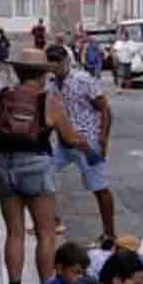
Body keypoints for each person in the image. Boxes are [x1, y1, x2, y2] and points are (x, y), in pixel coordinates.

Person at [0, 55, 74, 284]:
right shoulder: (49, 100)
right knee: (46, 233)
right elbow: (68, 137)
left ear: (19, 72)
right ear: (42, 74)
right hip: (35, 164)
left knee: (15, 232)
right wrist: (87, 147)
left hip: (2, 165)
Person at [45, 40, 117, 243]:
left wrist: (103, 141)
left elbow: (105, 109)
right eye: (51, 64)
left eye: (59, 62)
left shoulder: (83, 80)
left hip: (87, 144)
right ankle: (54, 221)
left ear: (67, 61)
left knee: (100, 188)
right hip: (63, 145)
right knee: (42, 176)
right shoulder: (51, 85)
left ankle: (110, 234)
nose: (56, 67)